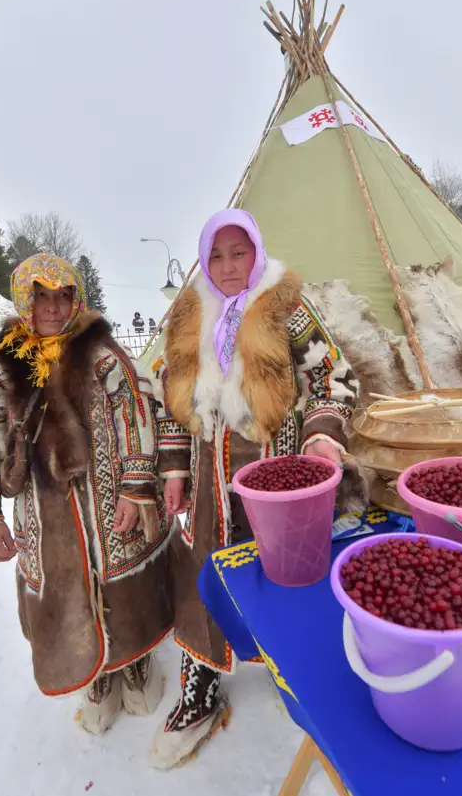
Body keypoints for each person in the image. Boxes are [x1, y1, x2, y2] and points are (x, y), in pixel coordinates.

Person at [149, 209, 359, 768]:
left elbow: (334, 376)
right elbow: (171, 401)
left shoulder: (287, 307)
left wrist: (320, 435)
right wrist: (173, 469)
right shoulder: (188, 314)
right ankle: (202, 680)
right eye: (215, 255)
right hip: (208, 480)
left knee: (280, 569)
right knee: (205, 572)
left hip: (278, 474)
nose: (227, 265)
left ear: (256, 252)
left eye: (237, 252)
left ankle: (291, 666)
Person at [0, 254, 175, 735]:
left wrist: (137, 489)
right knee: (65, 587)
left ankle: (131, 661)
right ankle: (92, 671)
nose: (53, 307)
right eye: (41, 296)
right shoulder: (0, 369)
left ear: (76, 299)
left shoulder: (103, 355)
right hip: (43, 514)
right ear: (23, 300)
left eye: (63, 296)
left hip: (109, 505)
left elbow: (137, 416)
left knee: (119, 580)